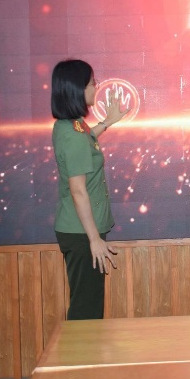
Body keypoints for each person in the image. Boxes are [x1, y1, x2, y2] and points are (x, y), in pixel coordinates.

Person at [51, 59, 128, 320]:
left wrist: (107, 122)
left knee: (88, 304)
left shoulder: (71, 126)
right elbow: (78, 191)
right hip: (82, 232)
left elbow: (86, 140)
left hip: (81, 230)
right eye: (92, 83)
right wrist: (94, 239)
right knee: (86, 309)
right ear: (77, 88)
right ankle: (78, 349)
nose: (96, 86)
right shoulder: (72, 133)